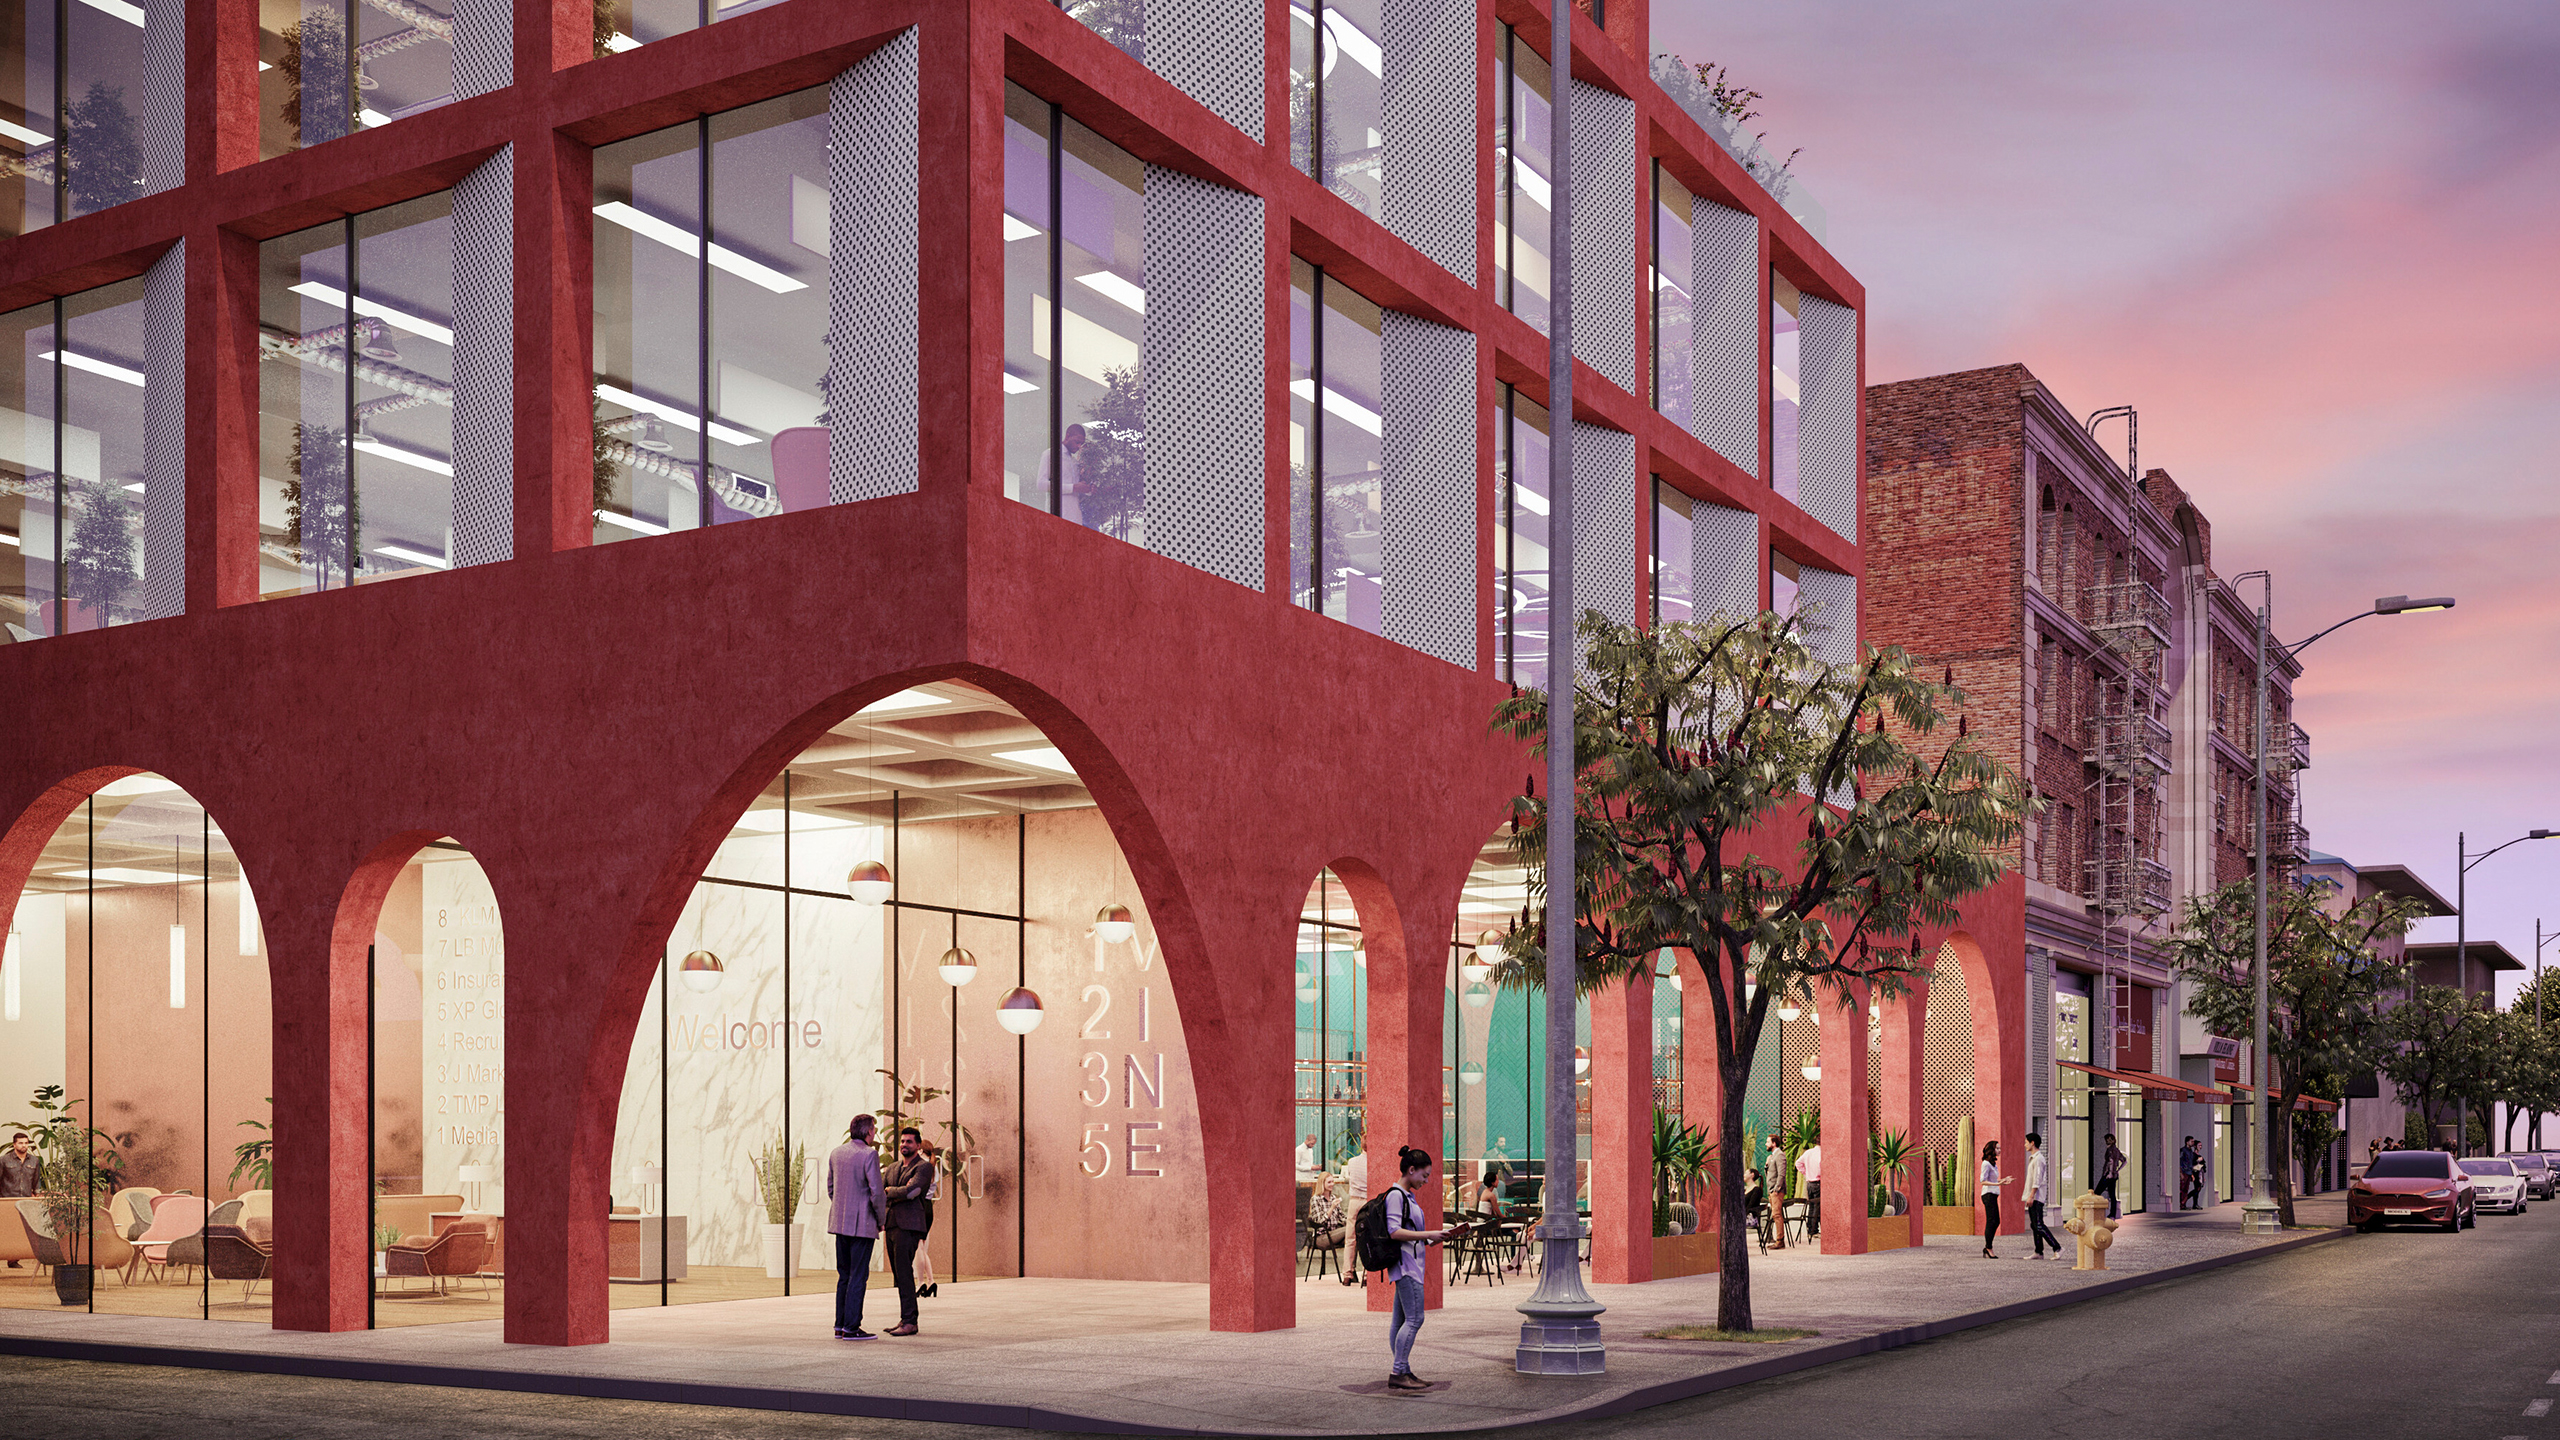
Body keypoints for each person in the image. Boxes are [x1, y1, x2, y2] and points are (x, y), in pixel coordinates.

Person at [1382, 1145, 1459, 1393]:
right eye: (1424, 1175)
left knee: (1401, 1319)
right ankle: (1398, 1372)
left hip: (1408, 1264)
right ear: (1411, 1170)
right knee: (1415, 1319)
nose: (1426, 1181)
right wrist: (1427, 1234)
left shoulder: (1406, 1197)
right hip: (1407, 1266)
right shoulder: (1396, 1196)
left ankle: (1402, 1370)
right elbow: (1394, 1231)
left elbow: (1409, 1234)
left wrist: (1432, 1238)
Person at [825, 1114, 886, 1339]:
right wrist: (881, 1219)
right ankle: (852, 1327)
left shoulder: (836, 1153)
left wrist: (844, 1208)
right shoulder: (869, 1154)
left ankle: (840, 1326)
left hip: (840, 1224)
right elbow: (877, 1192)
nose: (874, 1133)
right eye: (874, 1129)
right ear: (867, 1132)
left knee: (844, 1276)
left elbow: (831, 1188)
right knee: (858, 1276)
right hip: (862, 1226)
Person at [881, 1127, 935, 1336]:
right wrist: (894, 1193)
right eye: (902, 1141)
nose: (904, 1145)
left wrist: (890, 1191)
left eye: (909, 1142)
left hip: (910, 1226)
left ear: (918, 1145)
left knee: (904, 1272)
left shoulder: (923, 1167)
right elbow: (883, 1192)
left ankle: (910, 1321)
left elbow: (912, 1192)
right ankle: (906, 1318)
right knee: (899, 1274)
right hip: (892, 1224)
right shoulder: (892, 1168)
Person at [1034, 423, 1093, 524]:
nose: (1079, 447)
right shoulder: (1050, 454)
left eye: (1081, 444)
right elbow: (1041, 485)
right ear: (1068, 436)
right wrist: (1073, 487)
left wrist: (1088, 489)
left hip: (1076, 518)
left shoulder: (1075, 462)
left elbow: (1078, 488)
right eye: (1077, 442)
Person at [912, 1138, 944, 1300]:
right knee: (922, 1247)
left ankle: (921, 1282)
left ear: (920, 1150)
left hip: (920, 1207)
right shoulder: (933, 1167)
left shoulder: (921, 1167)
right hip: (928, 1207)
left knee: (918, 1247)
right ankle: (930, 1282)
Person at [2023, 1132, 2062, 1259]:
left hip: (2036, 1197)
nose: (2025, 1145)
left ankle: (2058, 1248)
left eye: (2026, 1142)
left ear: (2032, 1142)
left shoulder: (2039, 1159)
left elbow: (2037, 1179)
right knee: (2034, 1225)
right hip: (2034, 1196)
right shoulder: (2034, 1158)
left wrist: (2031, 1196)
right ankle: (2038, 1251)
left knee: (2038, 1224)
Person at [1, 1133, 37, 1268]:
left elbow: (36, 1181)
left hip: (25, 1200)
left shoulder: (34, 1161)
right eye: (21, 1143)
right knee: (5, 1230)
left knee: (21, 1230)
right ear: (14, 1144)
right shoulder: (4, 1160)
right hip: (7, 1199)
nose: (24, 1146)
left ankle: (13, 1259)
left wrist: (36, 1193)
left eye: (26, 1143)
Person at [1978, 1140, 2011, 1258]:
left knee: (1995, 1221)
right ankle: (1988, 1247)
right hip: (1988, 1195)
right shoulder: (1986, 1163)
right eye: (1997, 1148)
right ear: (1992, 1150)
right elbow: (1983, 1181)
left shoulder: (1993, 1164)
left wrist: (2003, 1180)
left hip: (1993, 1194)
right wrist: (1999, 1184)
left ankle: (1988, 1247)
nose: (1999, 1150)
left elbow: (1992, 1180)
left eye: (2000, 1148)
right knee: (1992, 1221)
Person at [1796, 1140, 1823, 1238]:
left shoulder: (1808, 1152)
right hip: (1818, 1182)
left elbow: (1798, 1163)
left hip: (1809, 1183)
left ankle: (1810, 1229)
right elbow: (1821, 1168)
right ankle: (1814, 1231)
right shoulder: (1822, 1154)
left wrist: (1806, 1173)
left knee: (1812, 1206)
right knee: (1817, 1207)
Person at [2098, 1134, 2126, 1219]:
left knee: (2097, 1193)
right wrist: (2117, 1170)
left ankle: (2096, 1213)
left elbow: (2111, 1161)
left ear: (2113, 1140)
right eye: (2107, 1139)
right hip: (2114, 1176)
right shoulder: (2116, 1150)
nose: (2107, 1141)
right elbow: (2124, 1161)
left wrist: (2109, 1173)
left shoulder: (2110, 1150)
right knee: (2112, 1195)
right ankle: (2112, 1214)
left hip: (2108, 1175)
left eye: (2110, 1139)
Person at [2179, 1136, 2204, 1209]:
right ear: (2187, 1142)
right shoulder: (2183, 1150)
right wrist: (2180, 1173)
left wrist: (2191, 1174)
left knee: (2186, 1189)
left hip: (2189, 1172)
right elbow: (2180, 1161)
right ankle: (2182, 1204)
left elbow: (2190, 1163)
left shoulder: (2190, 1151)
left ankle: (2183, 1204)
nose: (2193, 1143)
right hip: (2184, 1171)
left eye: (2193, 1141)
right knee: (2182, 1188)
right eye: (2191, 1141)